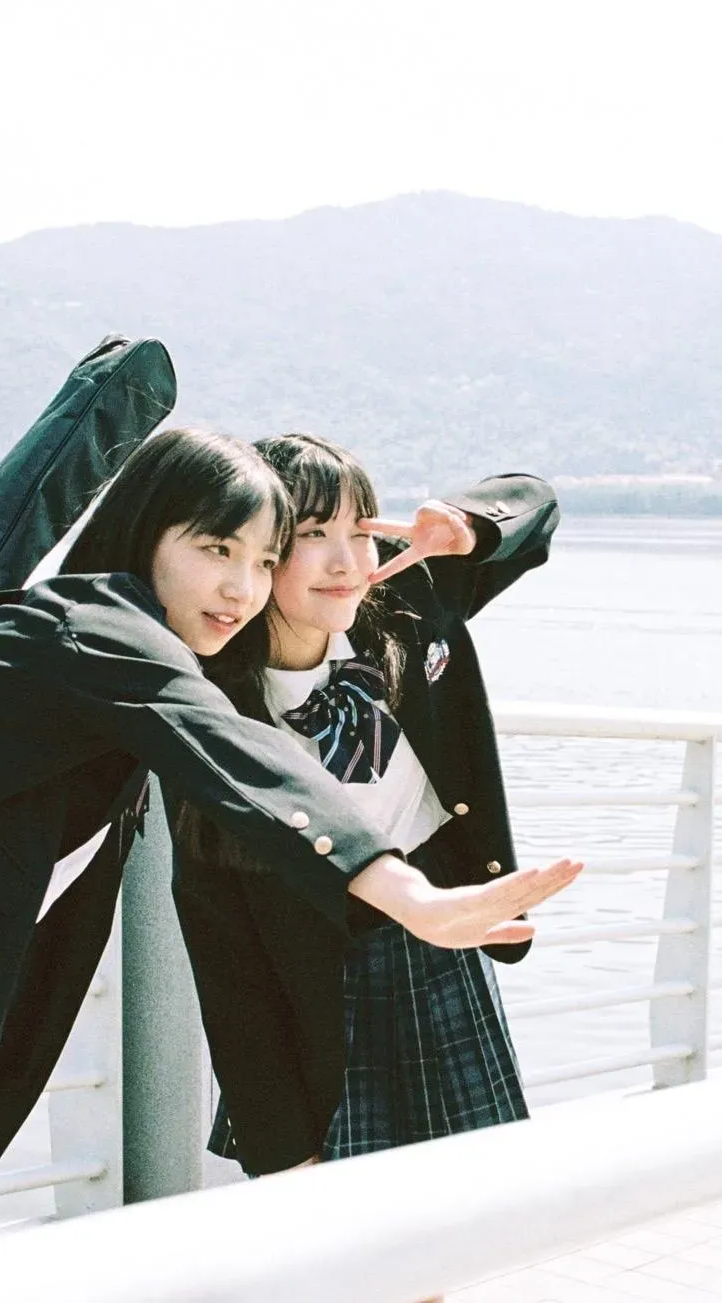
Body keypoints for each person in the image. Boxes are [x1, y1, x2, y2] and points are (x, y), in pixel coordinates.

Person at [0, 428, 581, 1296]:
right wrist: (408, 891)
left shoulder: (113, 639)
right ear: (145, 532)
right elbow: (239, 760)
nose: (241, 587)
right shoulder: (100, 628)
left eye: (258, 558)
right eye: (216, 549)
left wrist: (465, 529)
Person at [171, 434, 558, 1180]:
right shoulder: (211, 705)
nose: (346, 562)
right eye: (314, 534)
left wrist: (465, 525)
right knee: (341, 1224)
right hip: (312, 978)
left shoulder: (405, 599)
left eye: (361, 531)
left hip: (438, 945)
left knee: (473, 1203)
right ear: (260, 550)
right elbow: (226, 950)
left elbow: (535, 505)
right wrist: (282, 1144)